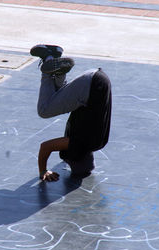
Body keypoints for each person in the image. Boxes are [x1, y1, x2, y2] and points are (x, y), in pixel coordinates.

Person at [30, 44, 112, 182]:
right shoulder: (79, 142)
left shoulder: (97, 143)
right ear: (74, 155)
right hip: (90, 87)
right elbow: (45, 147)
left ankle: (55, 57)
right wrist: (43, 171)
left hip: (99, 80)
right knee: (44, 110)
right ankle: (48, 61)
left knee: (57, 97)